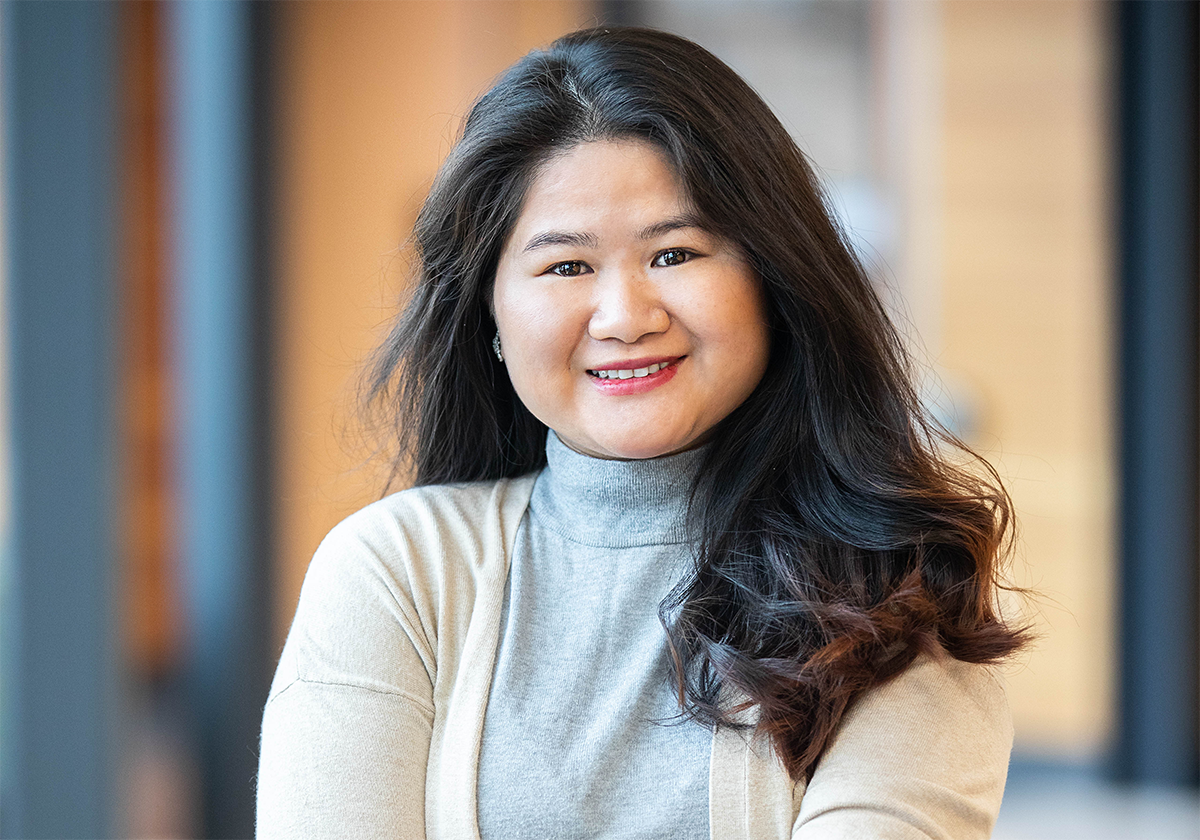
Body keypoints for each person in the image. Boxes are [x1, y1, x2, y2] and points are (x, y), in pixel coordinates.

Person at [256, 25, 1027, 839]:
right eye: (566, 266)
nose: (625, 317)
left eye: (674, 253)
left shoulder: (894, 594)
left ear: (773, 277)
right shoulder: (398, 573)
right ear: (489, 311)